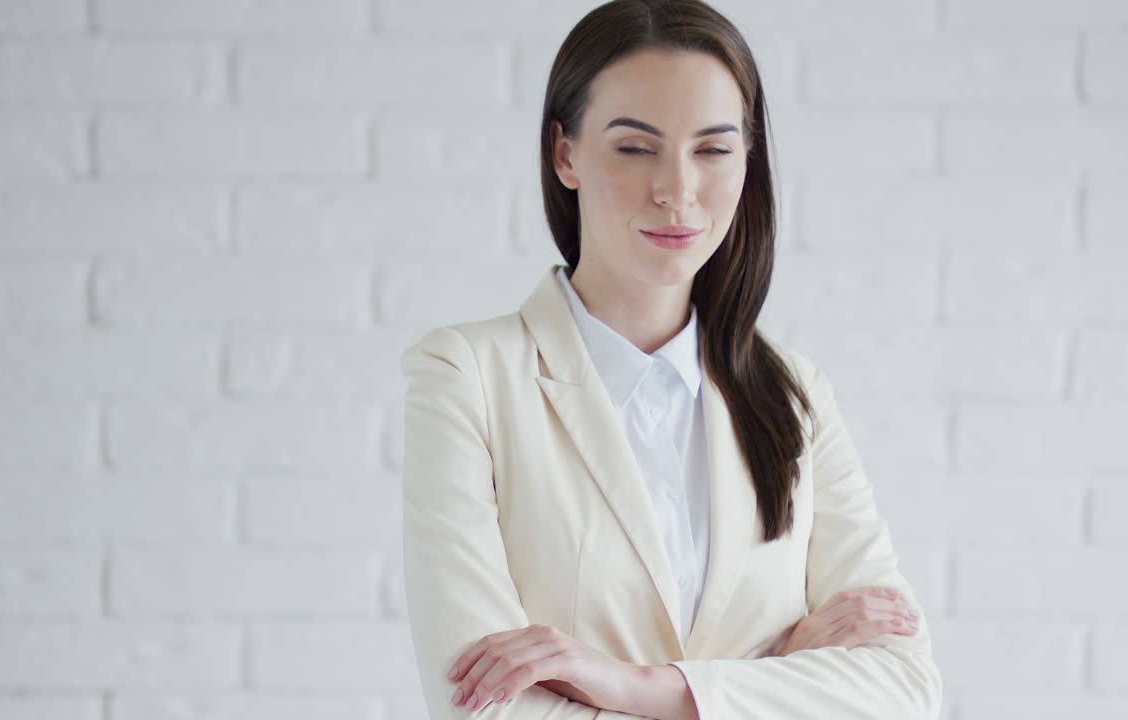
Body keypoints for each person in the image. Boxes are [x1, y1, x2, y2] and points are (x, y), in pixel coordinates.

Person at [398, 1, 942, 717]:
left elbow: (904, 691)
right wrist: (780, 671)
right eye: (635, 148)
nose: (677, 191)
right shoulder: (466, 377)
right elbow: (484, 706)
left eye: (712, 151)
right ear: (566, 153)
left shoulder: (793, 395)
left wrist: (641, 686)